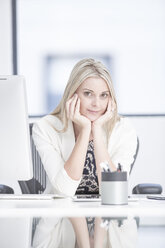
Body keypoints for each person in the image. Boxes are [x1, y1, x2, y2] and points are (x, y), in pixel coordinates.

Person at [32, 58, 138, 248]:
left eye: (104, 95)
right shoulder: (45, 128)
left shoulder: (124, 129)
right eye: (88, 93)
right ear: (72, 94)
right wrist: (84, 133)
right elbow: (64, 191)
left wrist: (96, 130)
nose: (97, 104)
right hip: (62, 219)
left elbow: (112, 193)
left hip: (109, 220)